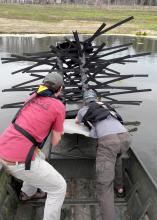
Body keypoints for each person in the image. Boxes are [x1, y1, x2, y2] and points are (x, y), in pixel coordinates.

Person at [0, 71, 67, 220]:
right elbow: (55, 142)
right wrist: (59, 128)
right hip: (18, 160)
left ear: (44, 84)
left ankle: (27, 193)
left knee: (40, 155)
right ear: (60, 89)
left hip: (3, 148)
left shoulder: (32, 96)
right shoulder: (58, 106)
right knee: (59, 187)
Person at [75, 89, 131, 220]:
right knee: (117, 157)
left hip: (108, 141)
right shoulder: (107, 106)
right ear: (97, 99)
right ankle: (120, 189)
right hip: (125, 137)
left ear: (85, 101)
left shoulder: (84, 109)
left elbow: (77, 121)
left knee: (104, 185)